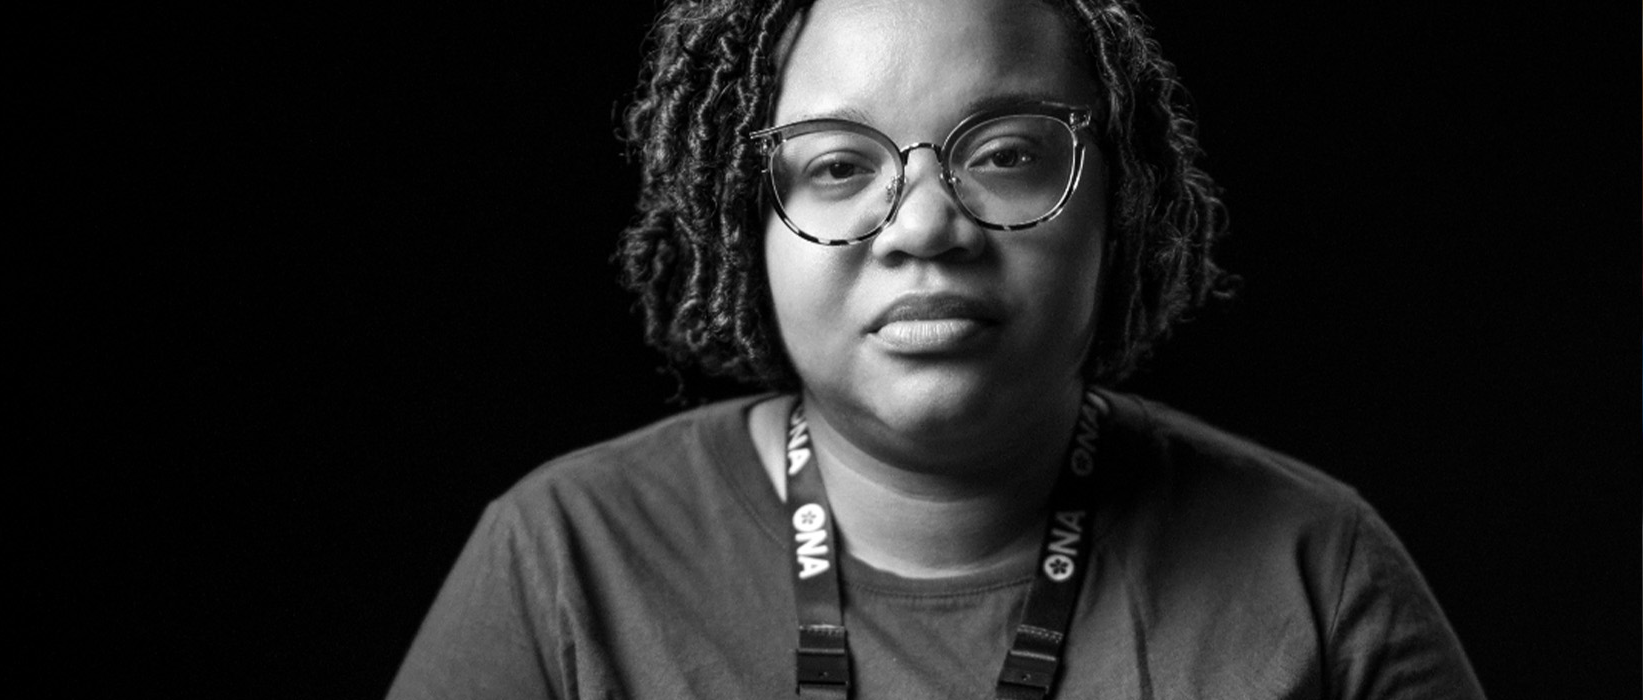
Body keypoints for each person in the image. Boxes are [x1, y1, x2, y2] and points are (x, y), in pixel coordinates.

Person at [388, 0, 1486, 697]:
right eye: (835, 166)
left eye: (1004, 152)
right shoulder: (566, 559)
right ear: (744, 222)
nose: (923, 224)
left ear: (1121, 203)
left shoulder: (1316, 575)